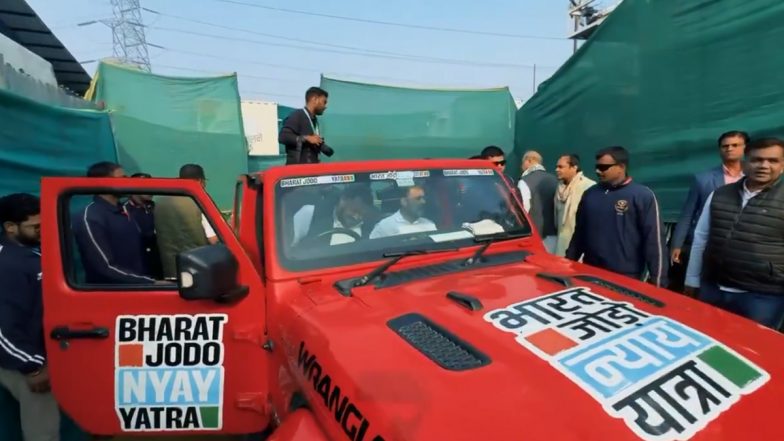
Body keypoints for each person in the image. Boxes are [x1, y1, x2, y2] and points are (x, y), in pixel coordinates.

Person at [685, 137, 784, 328]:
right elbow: (701, 238)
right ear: (745, 162)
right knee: (706, 339)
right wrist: (692, 280)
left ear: (782, 165)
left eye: (772, 161)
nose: (764, 165)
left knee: (750, 350)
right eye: (757, 160)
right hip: (712, 288)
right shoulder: (720, 194)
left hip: (763, 297)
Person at [0, 193, 60, 441]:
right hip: (22, 362)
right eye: (35, 226)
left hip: (33, 355)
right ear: (10, 227)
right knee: (42, 433)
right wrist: (33, 367)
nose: (42, 230)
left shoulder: (29, 254)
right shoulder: (7, 264)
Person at [566, 146, 668, 287]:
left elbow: (654, 242)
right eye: (597, 166)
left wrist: (658, 283)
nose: (597, 171)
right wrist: (568, 265)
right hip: (591, 273)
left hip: (625, 277)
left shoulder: (642, 196)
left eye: (603, 167)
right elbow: (579, 235)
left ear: (621, 167)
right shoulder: (590, 194)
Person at [669, 131, 747, 292]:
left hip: (741, 245)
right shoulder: (703, 178)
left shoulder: (755, 178)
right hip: (705, 243)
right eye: (725, 146)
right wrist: (677, 244)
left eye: (735, 145)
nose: (729, 149)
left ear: (745, 148)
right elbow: (688, 213)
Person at [73, 162, 154, 284]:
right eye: (122, 179)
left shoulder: (124, 210)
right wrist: (150, 283)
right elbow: (104, 268)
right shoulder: (90, 217)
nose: (127, 182)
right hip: (112, 294)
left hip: (137, 288)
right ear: (103, 182)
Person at [155, 164, 216, 279]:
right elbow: (212, 239)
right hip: (196, 269)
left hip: (170, 269)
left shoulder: (160, 202)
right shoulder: (199, 202)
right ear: (200, 181)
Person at [292, 184, 379, 246]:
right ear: (343, 200)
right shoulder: (310, 213)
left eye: (361, 214)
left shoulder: (373, 227)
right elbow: (293, 249)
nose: (357, 217)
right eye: (354, 210)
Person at [553, 154, 595, 257]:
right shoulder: (559, 188)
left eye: (561, 167)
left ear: (574, 168)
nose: (556, 170)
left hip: (580, 247)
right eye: (556, 167)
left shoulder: (588, 186)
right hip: (561, 243)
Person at [279, 87, 334, 165]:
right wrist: (307, 138)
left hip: (311, 171)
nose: (325, 106)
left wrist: (319, 144)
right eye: (324, 102)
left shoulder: (314, 120)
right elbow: (283, 137)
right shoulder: (298, 115)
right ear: (315, 99)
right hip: (297, 172)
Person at [124, 172, 163, 279]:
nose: (151, 190)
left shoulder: (155, 207)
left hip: (159, 263)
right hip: (138, 266)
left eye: (152, 187)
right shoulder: (124, 211)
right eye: (146, 186)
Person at [519, 150, 558, 252]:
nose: (521, 166)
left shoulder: (525, 181)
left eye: (522, 163)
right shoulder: (555, 179)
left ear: (529, 161)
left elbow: (524, 210)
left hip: (535, 237)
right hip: (555, 235)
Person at [370, 185, 437, 238]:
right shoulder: (385, 226)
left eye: (423, 198)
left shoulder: (429, 224)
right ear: (404, 201)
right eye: (418, 198)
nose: (423, 202)